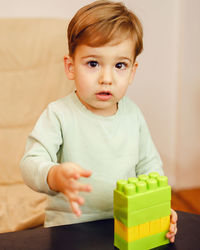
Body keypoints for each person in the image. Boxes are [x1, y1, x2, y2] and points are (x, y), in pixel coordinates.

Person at [20, 0, 177, 242]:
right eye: (93, 63)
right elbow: (30, 163)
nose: (106, 78)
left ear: (133, 71)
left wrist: (156, 207)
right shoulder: (59, 114)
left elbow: (149, 167)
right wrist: (54, 175)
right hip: (70, 227)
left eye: (120, 65)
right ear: (71, 67)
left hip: (126, 225)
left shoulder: (133, 115)